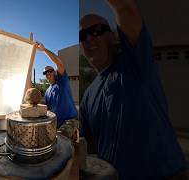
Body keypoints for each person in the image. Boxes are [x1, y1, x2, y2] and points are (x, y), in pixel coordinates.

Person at [79, 0, 187, 179]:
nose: (89, 38)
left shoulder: (135, 63)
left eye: (96, 31)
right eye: (83, 35)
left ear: (113, 36)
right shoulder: (89, 95)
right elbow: (86, 146)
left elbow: (125, 7)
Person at [35, 42, 78, 128]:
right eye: (45, 72)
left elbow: (59, 63)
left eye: (50, 70)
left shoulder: (62, 81)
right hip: (56, 124)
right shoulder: (47, 91)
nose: (48, 73)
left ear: (55, 72)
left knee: (62, 138)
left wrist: (44, 50)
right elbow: (47, 108)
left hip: (69, 122)